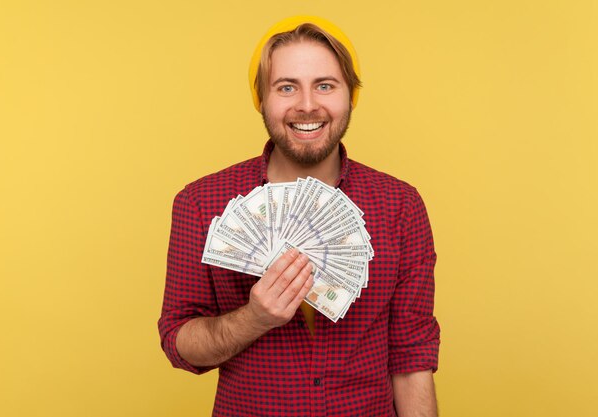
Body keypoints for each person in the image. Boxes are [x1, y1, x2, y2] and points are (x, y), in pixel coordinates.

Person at [158, 15, 441, 417]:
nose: (307, 105)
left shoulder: (400, 206)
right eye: (286, 87)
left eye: (325, 85)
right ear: (261, 99)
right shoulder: (202, 202)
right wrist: (253, 318)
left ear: (350, 96)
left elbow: (411, 358)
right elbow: (178, 342)